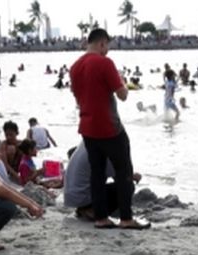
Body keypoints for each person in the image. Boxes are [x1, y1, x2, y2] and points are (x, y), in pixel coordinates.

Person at [70, 29, 150, 230]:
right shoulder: (104, 63)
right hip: (109, 126)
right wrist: (121, 79)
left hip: (87, 126)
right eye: (107, 46)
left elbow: (78, 96)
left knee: (96, 173)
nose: (107, 51)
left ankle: (101, 218)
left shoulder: (74, 67)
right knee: (123, 172)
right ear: (102, 43)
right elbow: (122, 94)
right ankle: (126, 218)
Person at [62, 141, 141, 220]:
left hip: (72, 196)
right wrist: (132, 176)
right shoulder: (105, 150)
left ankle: (85, 209)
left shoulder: (87, 143)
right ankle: (92, 210)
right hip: (83, 197)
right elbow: (121, 178)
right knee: (128, 186)